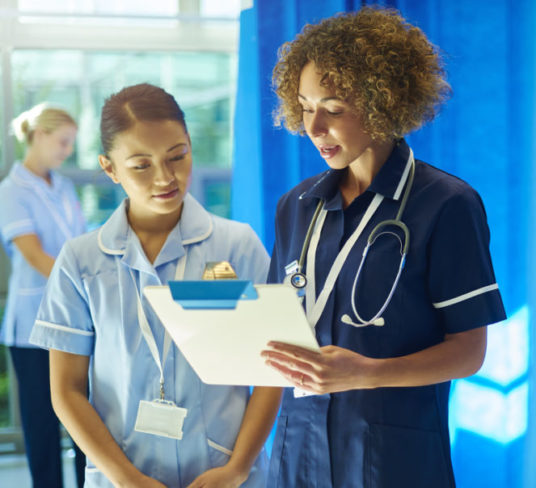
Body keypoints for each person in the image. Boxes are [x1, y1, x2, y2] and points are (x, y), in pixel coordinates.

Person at [261, 7, 507, 487]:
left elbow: (468, 353)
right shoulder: (297, 205)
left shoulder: (447, 204)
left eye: (332, 109)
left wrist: (365, 373)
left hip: (392, 459)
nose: (313, 127)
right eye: (306, 107)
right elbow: (282, 323)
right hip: (296, 451)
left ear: (383, 103)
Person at [29, 83, 282, 488]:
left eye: (177, 156)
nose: (166, 177)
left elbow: (271, 369)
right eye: (141, 165)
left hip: (224, 473)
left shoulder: (235, 246)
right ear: (110, 168)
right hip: (122, 474)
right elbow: (67, 390)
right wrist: (127, 479)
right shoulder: (81, 261)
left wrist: (236, 469)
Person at [0, 103, 86, 488]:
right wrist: (83, 283)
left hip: (76, 317)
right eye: (63, 141)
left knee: (84, 417)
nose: (67, 151)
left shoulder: (64, 186)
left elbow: (80, 245)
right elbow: (34, 254)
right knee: (41, 423)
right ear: (38, 136)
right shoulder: (10, 191)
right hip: (32, 320)